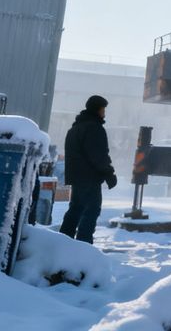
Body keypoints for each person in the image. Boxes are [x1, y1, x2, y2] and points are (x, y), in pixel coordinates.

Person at [59, 95, 117, 243]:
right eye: (103, 109)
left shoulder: (76, 128)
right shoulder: (93, 128)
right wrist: (109, 173)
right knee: (91, 210)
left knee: (76, 209)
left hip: (77, 177)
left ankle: (63, 241)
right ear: (97, 109)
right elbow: (98, 155)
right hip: (89, 177)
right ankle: (84, 244)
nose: (104, 113)